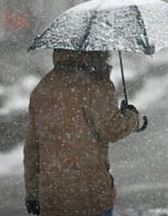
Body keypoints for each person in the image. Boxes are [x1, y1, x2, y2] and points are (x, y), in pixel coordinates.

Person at [24, 49, 140, 216]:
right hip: (90, 192)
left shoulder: (43, 87)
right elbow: (112, 129)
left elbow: (32, 148)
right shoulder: (97, 84)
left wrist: (33, 192)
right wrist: (131, 117)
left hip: (52, 195)